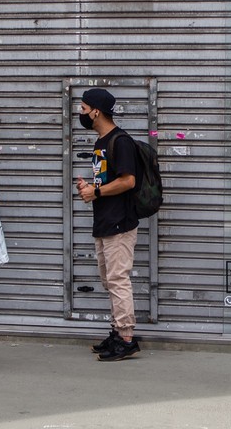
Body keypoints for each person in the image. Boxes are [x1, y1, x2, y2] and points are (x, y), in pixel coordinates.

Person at [75, 88, 141, 362]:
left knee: (118, 280)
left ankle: (126, 339)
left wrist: (97, 193)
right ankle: (117, 332)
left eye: (83, 108)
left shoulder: (120, 141)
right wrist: (90, 188)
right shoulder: (100, 142)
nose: (80, 114)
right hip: (104, 221)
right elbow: (107, 181)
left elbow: (129, 181)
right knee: (109, 281)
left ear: (96, 112)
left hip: (119, 224)